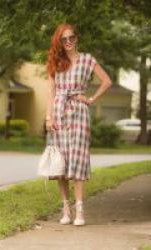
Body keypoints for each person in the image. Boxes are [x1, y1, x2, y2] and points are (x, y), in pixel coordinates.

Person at [45, 23, 112, 226]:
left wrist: (91, 99)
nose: (68, 42)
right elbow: (51, 93)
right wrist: (49, 117)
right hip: (58, 112)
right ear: (59, 41)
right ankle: (66, 209)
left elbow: (107, 81)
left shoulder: (87, 59)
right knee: (61, 162)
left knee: (78, 160)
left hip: (79, 113)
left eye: (71, 38)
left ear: (77, 38)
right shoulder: (56, 62)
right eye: (63, 39)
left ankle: (80, 212)